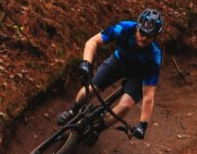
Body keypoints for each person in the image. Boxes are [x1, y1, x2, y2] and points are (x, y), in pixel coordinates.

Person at [57, 8, 164, 142]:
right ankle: (74, 109)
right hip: (118, 61)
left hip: (137, 75)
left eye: (149, 36)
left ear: (155, 36)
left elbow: (149, 95)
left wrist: (143, 124)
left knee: (126, 104)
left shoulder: (154, 56)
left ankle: (98, 129)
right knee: (90, 89)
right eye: (142, 32)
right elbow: (92, 42)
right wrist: (86, 63)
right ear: (137, 27)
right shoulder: (124, 28)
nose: (144, 37)